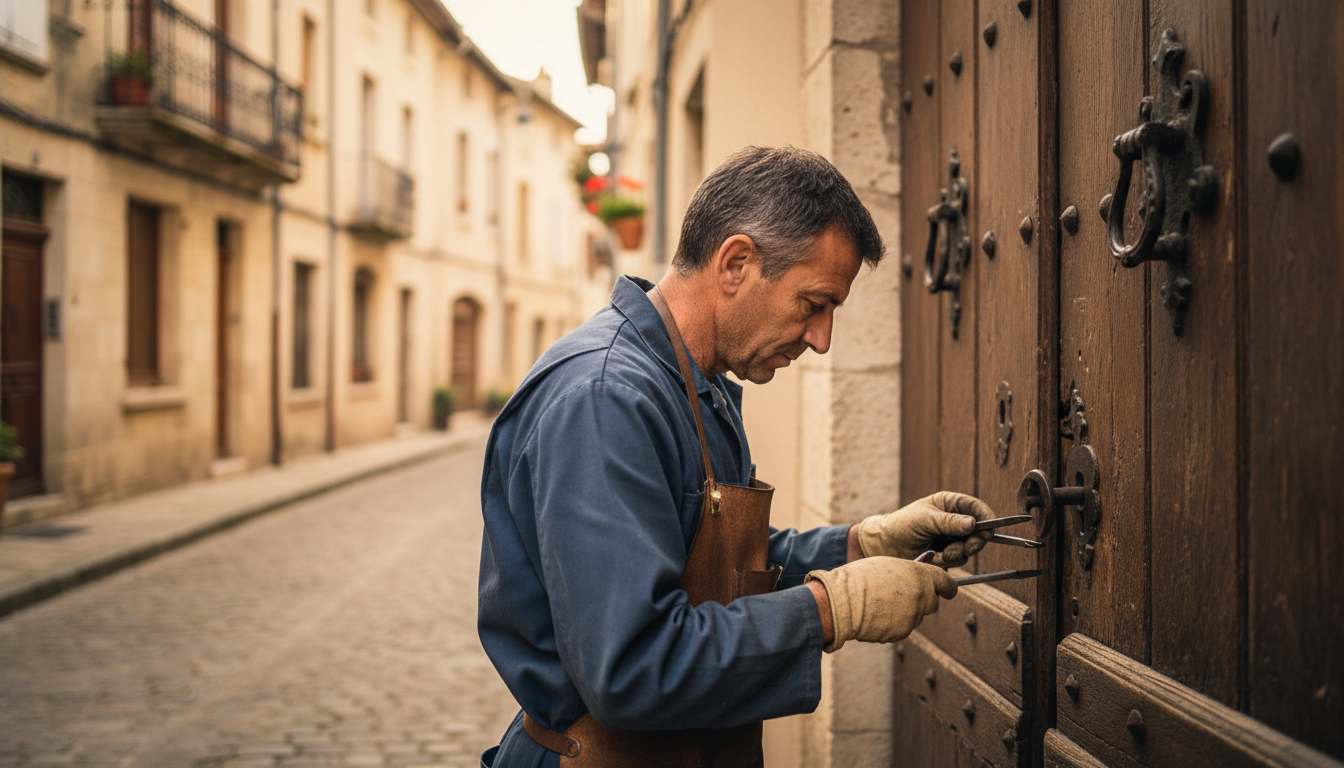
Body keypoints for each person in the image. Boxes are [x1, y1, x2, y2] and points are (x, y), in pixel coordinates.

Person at [477, 146, 995, 768]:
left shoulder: (698, 383)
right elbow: (632, 668)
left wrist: (864, 545)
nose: (822, 339)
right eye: (813, 303)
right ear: (736, 263)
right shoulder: (606, 396)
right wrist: (832, 608)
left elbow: (710, 568)